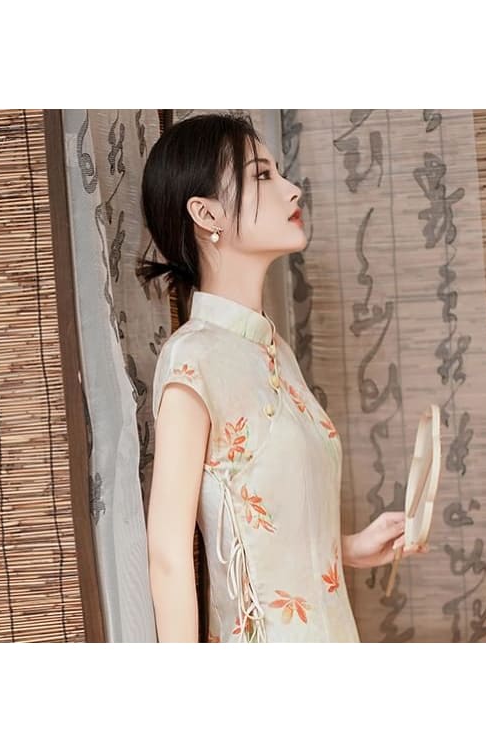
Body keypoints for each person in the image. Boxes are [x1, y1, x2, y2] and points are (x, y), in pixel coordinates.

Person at [137, 112, 427, 642]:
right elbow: (168, 555)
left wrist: (349, 548)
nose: (291, 189)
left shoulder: (276, 352)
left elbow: (265, 525)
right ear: (206, 213)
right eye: (262, 175)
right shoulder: (192, 360)